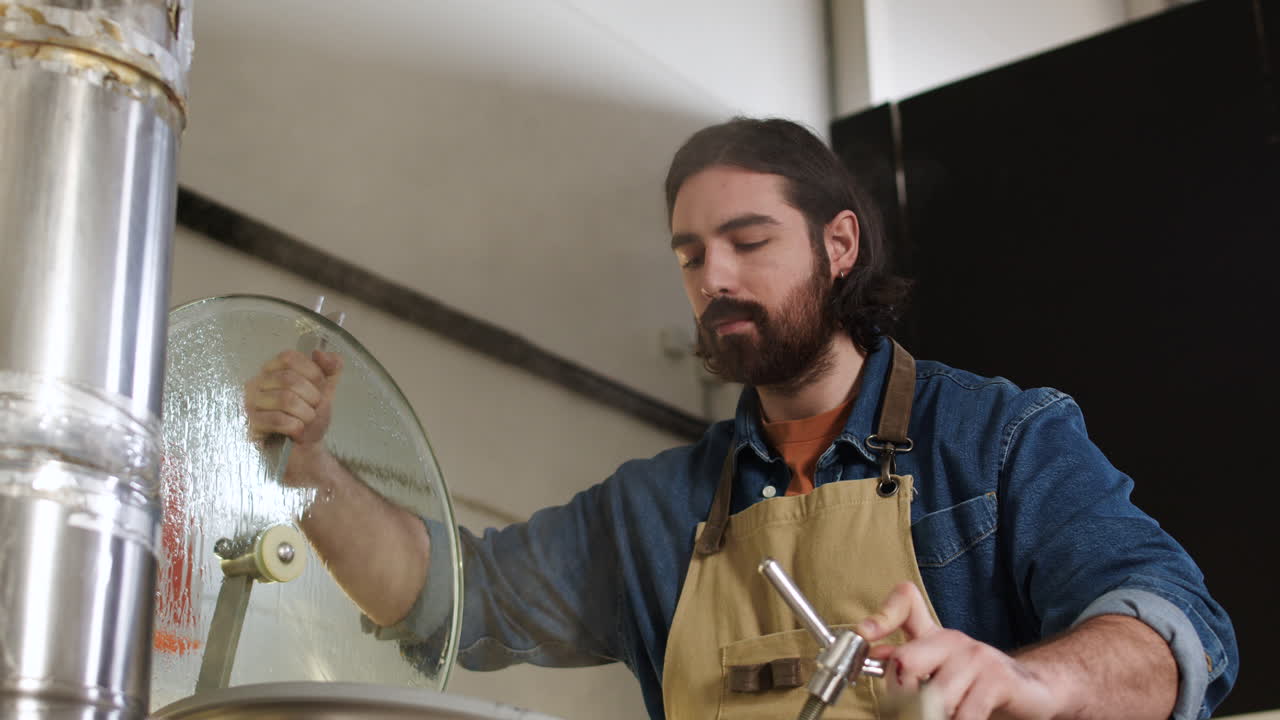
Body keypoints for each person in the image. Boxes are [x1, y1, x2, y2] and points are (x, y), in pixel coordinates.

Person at [244, 118, 1237, 720]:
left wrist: (1031, 684)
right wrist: (312, 469)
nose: (712, 276)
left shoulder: (997, 439)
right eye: (688, 253)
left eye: (746, 240)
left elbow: (1174, 634)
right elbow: (443, 598)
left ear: (837, 243)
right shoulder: (653, 511)